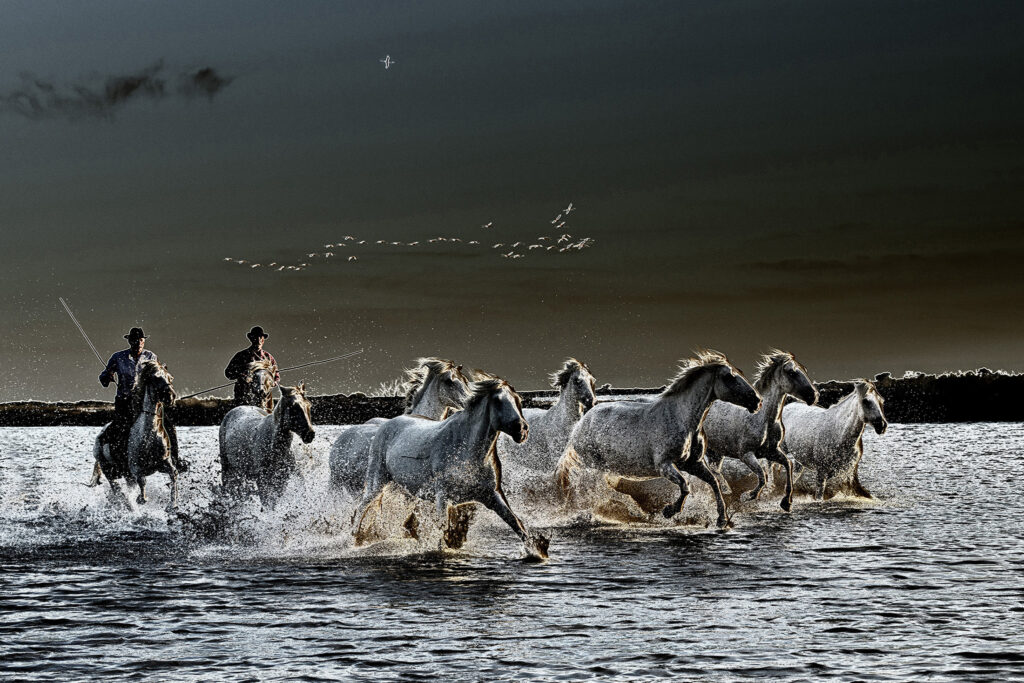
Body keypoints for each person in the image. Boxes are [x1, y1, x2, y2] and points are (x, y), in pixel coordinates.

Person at [99, 327, 186, 472]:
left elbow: (160, 376)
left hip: (146, 402)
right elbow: (103, 379)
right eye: (134, 340)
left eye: (140, 340)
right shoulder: (118, 358)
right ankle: (118, 460)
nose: (138, 343)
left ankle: (175, 459)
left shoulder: (151, 357)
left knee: (169, 426)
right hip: (125, 401)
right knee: (121, 428)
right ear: (129, 341)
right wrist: (107, 377)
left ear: (143, 341)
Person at [224, 326, 280, 408]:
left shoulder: (268, 357)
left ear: (263, 340)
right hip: (244, 397)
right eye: (255, 337)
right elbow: (228, 373)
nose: (258, 340)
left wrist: (274, 382)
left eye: (260, 337)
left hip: (265, 398)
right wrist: (242, 375)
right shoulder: (241, 356)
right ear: (251, 339)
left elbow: (276, 375)